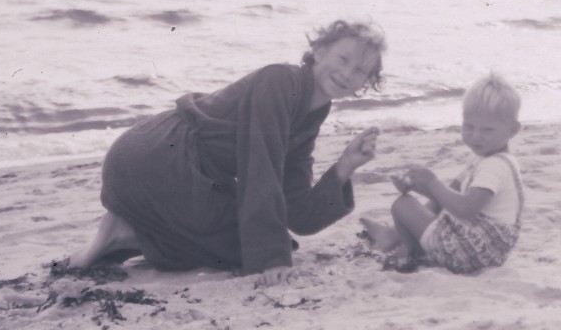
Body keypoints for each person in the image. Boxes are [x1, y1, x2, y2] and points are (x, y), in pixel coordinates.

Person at [63, 20, 386, 287]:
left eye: (361, 71)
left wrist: (344, 167)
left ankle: (129, 230)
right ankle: (129, 232)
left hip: (168, 166)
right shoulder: (280, 81)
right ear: (319, 51)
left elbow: (298, 213)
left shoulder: (313, 110)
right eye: (343, 59)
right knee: (253, 249)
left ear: (366, 82)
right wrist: (270, 260)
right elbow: (261, 169)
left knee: (270, 244)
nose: (348, 73)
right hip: (158, 156)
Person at [361, 74, 524, 273]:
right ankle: (395, 236)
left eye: (487, 130)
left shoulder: (495, 166)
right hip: (484, 250)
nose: (475, 136)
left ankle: (411, 254)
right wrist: (418, 186)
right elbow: (451, 193)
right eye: (469, 126)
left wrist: (432, 182)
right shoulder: (487, 157)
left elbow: (467, 209)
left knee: (402, 205)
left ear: (512, 130)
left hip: (473, 250)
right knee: (437, 200)